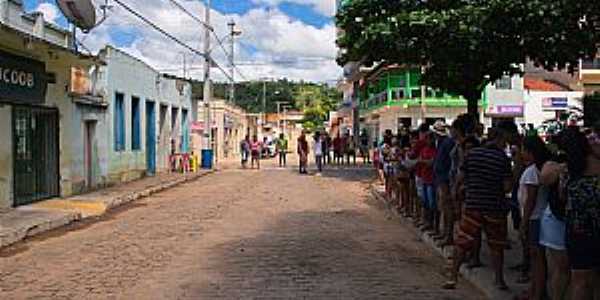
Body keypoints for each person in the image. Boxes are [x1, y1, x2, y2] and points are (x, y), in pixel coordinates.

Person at [444, 121, 518, 291]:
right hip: (494, 206)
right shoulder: (502, 158)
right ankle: (499, 280)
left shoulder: (472, 154)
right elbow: (507, 187)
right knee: (496, 245)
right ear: (501, 139)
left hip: (473, 204)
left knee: (462, 241)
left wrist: (456, 195)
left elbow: (460, 177)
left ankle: (452, 277)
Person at [562, 127, 600, 300]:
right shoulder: (596, 165)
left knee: (579, 279)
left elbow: (562, 197)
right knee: (594, 280)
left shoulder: (567, 170)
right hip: (595, 228)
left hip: (576, 230)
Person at [519, 136, 552, 300]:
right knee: (537, 258)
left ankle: (537, 293)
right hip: (538, 217)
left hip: (535, 218)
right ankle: (535, 290)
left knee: (536, 258)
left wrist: (524, 222)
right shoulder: (539, 168)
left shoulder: (533, 171)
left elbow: (530, 200)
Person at [539, 154, 569, 300]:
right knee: (561, 268)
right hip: (557, 218)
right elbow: (544, 178)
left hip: (569, 220)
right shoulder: (558, 162)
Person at [432, 120, 456, 246]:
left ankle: (448, 235)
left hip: (445, 179)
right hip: (440, 178)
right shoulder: (441, 143)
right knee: (443, 206)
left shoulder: (447, 143)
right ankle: (445, 233)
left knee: (447, 207)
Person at [420, 132, 438, 234]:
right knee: (425, 202)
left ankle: (433, 226)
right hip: (425, 178)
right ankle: (427, 222)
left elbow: (431, 162)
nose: (428, 141)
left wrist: (423, 161)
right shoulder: (424, 150)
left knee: (432, 204)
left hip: (432, 179)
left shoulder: (435, 150)